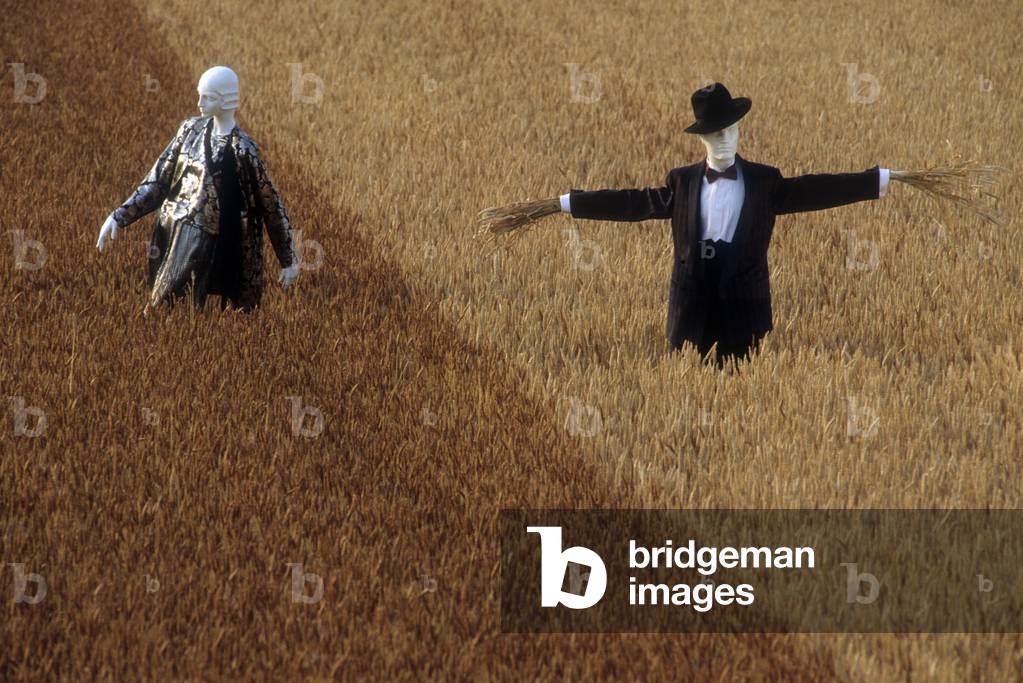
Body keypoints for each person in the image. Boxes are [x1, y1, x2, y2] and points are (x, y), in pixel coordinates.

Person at [559, 82, 895, 368]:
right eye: (714, 134)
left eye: (729, 131)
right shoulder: (682, 182)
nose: (723, 140)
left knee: (741, 390)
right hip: (691, 311)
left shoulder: (764, 181)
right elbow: (632, 203)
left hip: (746, 309)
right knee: (690, 390)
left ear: (738, 130)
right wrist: (570, 203)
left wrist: (874, 181)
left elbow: (816, 189)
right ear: (701, 138)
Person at [96, 65, 300, 314]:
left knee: (234, 318)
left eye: (208, 97)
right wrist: (119, 216)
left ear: (226, 101)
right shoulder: (189, 131)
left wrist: (288, 259)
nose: (199, 102)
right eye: (199, 94)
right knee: (162, 309)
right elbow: (158, 180)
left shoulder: (244, 150)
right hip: (183, 235)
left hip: (229, 244)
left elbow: (271, 204)